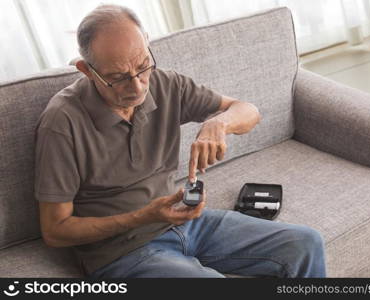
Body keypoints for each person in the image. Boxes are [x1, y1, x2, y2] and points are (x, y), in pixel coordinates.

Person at [35, 4, 326, 278]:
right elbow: (55, 230)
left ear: (147, 44)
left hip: (184, 222)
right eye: (118, 77)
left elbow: (248, 111)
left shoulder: (166, 84)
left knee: (305, 244)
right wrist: (141, 217)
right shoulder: (62, 123)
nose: (137, 86)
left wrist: (218, 123)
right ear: (87, 70)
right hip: (120, 252)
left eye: (143, 65)